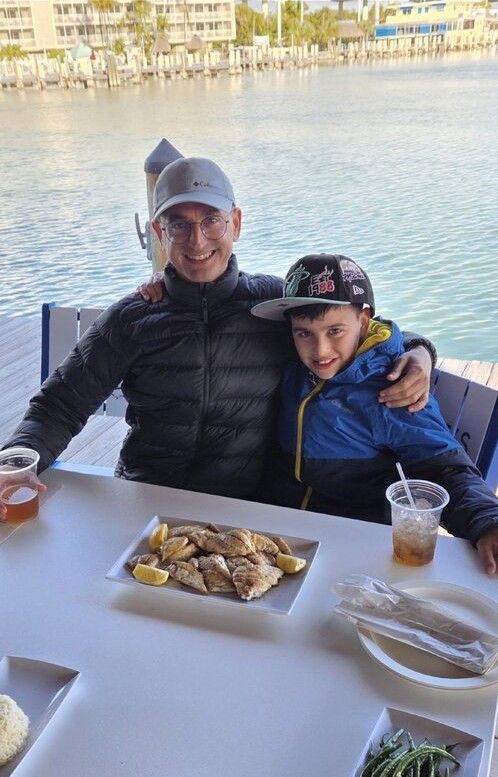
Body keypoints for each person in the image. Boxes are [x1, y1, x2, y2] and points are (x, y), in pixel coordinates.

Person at [1, 158, 434, 519]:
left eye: (212, 221)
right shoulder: (133, 317)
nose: (197, 241)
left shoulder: (271, 303)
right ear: (159, 233)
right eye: (178, 226)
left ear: (237, 223)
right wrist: (16, 462)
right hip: (145, 500)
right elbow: (59, 404)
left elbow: (353, 329)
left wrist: (418, 351)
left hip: (244, 509)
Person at [250, 253, 498, 574]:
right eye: (304, 333)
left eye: (335, 331)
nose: (320, 350)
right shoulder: (294, 365)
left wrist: (487, 521)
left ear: (364, 322)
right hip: (277, 532)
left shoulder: (393, 387)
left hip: (352, 547)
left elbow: (447, 470)